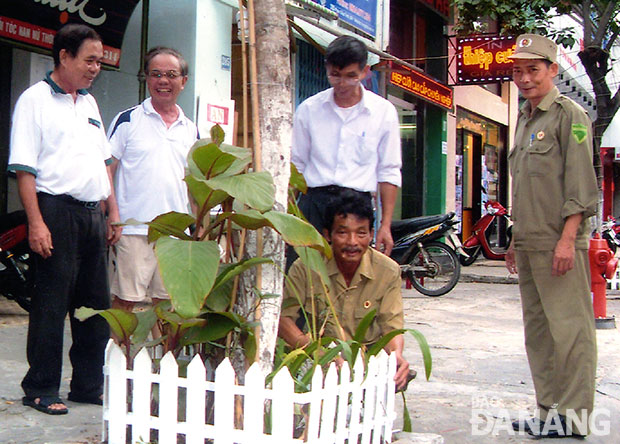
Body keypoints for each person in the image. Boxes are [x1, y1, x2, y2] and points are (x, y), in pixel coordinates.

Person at [8, 23, 121, 415]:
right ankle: (40, 388)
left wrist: (113, 213)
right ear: (64, 57)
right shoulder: (33, 101)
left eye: (100, 62)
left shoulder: (88, 104)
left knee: (95, 306)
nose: (95, 68)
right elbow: (25, 171)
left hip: (93, 214)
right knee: (51, 304)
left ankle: (88, 386)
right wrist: (36, 223)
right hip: (55, 211)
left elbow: (105, 163)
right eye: (89, 60)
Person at [505, 34, 598, 438]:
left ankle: (574, 419)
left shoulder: (569, 116)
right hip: (528, 241)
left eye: (533, 70)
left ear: (552, 70)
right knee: (539, 335)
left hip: (560, 243)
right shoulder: (525, 117)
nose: (524, 78)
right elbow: (524, 185)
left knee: (571, 333)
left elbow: (580, 184)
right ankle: (548, 413)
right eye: (518, 71)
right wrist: (513, 239)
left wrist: (568, 238)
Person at [279, 190, 410, 390]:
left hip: (365, 371)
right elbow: (284, 319)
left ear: (371, 234)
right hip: (315, 369)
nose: (352, 242)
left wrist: (396, 356)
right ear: (327, 235)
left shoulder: (388, 271)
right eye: (342, 232)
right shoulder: (306, 267)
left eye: (361, 232)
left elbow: (391, 326)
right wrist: (318, 354)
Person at [107, 47, 198, 324]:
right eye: (156, 74)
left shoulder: (190, 129)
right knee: (125, 300)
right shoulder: (128, 120)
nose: (163, 81)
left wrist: (198, 224)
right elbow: (106, 171)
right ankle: (114, 360)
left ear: (183, 81)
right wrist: (113, 216)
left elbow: (194, 183)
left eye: (171, 75)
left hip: (174, 234)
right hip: (134, 229)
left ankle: (160, 364)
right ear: (146, 78)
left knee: (167, 304)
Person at [291, 35, 401, 260]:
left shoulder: (383, 112)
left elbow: (388, 170)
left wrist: (386, 225)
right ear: (327, 69)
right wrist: (288, 215)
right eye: (335, 75)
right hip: (314, 204)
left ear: (365, 72)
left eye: (351, 76)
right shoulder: (309, 110)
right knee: (304, 275)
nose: (342, 84)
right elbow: (296, 165)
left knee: (350, 278)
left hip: (356, 206)